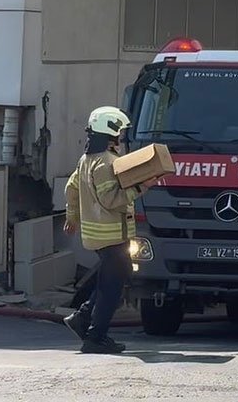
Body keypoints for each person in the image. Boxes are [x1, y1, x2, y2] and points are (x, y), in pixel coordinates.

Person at [62, 106, 157, 354]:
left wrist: (72, 216)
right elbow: (110, 200)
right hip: (112, 235)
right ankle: (96, 337)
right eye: (120, 132)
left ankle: (82, 318)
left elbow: (71, 187)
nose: (122, 136)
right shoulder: (107, 162)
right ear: (111, 132)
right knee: (111, 288)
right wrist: (142, 187)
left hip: (98, 236)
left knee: (112, 278)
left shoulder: (87, 159)